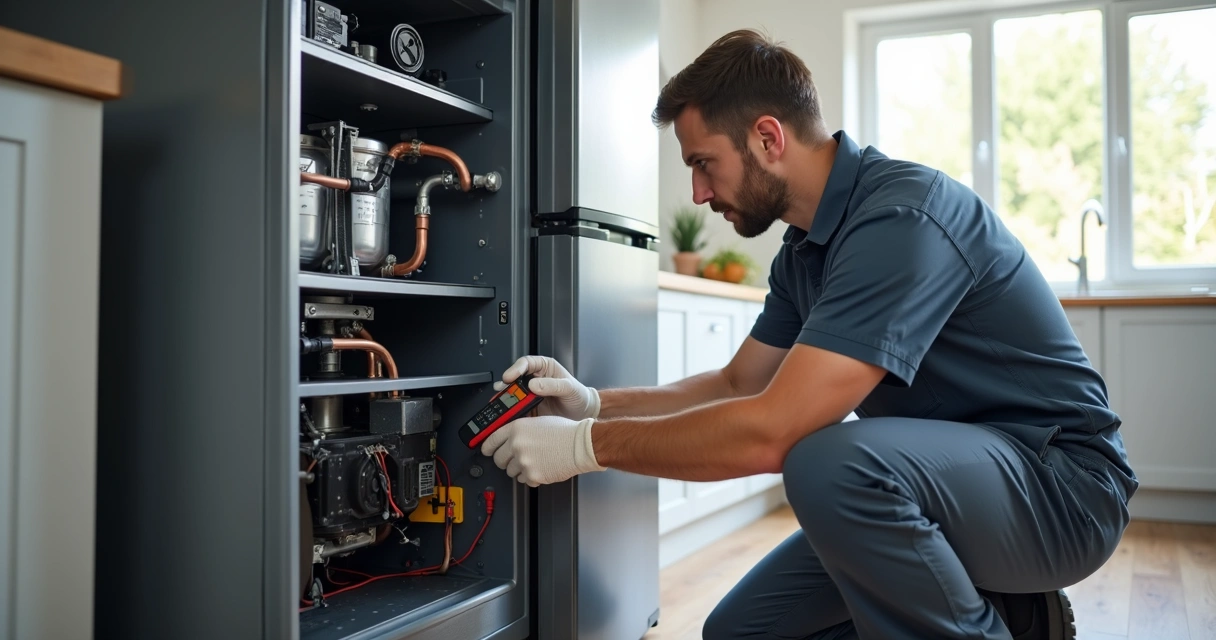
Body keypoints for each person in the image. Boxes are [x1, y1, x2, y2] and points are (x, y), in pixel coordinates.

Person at [479, 29, 1137, 639]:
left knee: (828, 461)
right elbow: (737, 384)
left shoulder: (900, 218)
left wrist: (584, 448)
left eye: (704, 163)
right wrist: (593, 401)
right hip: (956, 492)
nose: (698, 193)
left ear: (768, 138)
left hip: (1062, 492)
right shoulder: (803, 255)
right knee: (740, 633)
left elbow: (773, 430)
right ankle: (1017, 618)